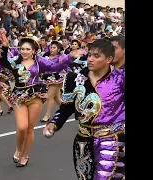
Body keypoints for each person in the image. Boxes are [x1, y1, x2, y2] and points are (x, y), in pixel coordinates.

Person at [43, 39, 125, 179]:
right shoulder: (75, 79)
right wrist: (54, 123)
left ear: (109, 59)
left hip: (111, 140)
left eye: (96, 56)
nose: (91, 59)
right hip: (83, 141)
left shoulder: (120, 79)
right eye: (89, 55)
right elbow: (66, 108)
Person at [0, 34, 84, 167]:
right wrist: (4, 48)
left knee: (29, 129)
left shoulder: (40, 61)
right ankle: (18, 149)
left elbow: (55, 67)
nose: (24, 51)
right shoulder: (15, 61)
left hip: (36, 95)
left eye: (28, 49)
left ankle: (25, 155)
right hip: (18, 96)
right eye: (22, 49)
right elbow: (3, 62)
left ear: (34, 50)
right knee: (22, 127)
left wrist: (69, 57)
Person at [40, 40, 70, 122]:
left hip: (57, 78)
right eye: (51, 47)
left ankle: (47, 115)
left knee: (50, 96)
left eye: (54, 48)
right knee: (57, 97)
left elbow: (66, 66)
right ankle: (66, 110)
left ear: (58, 49)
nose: (52, 49)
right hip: (47, 78)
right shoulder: (46, 56)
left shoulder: (61, 57)